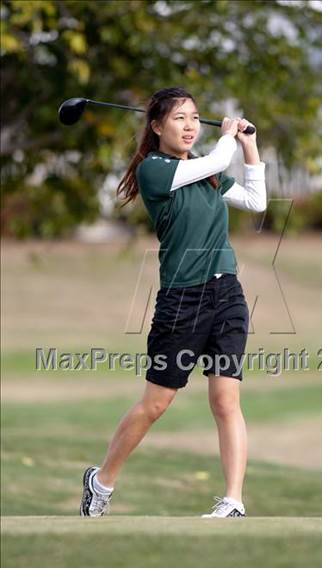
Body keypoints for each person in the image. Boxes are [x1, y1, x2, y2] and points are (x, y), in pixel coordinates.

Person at [80, 87, 266, 518]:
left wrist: (250, 146)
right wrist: (228, 135)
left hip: (227, 295)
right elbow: (217, 159)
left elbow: (256, 201)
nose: (189, 126)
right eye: (180, 118)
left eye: (194, 118)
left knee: (226, 400)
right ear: (157, 126)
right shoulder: (156, 171)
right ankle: (102, 480)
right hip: (182, 302)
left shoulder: (209, 175)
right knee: (156, 404)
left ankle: (233, 501)